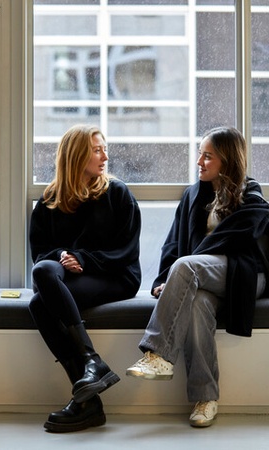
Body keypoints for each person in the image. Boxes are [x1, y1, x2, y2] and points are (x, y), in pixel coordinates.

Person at [126, 126, 269, 428]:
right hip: (204, 278)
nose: (199, 162)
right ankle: (206, 398)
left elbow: (241, 233)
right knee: (196, 304)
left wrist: (187, 264)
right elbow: (172, 245)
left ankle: (159, 354)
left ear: (227, 160)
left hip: (244, 275)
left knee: (186, 266)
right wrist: (163, 281)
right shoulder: (192, 195)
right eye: (199, 155)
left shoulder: (250, 192)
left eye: (208, 157)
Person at [29, 124, 141, 433]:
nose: (105, 155)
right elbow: (39, 254)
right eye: (97, 149)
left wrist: (84, 259)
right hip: (67, 275)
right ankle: (89, 385)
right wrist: (64, 257)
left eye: (105, 148)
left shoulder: (116, 193)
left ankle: (87, 391)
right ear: (77, 155)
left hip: (116, 274)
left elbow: (127, 251)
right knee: (42, 274)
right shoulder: (50, 200)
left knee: (40, 306)